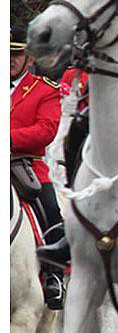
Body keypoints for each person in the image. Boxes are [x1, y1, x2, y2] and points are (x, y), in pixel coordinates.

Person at [11, 25, 65, 307]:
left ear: (29, 57)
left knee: (50, 209)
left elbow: (46, 130)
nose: (9, 60)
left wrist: (8, 138)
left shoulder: (44, 90)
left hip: (25, 166)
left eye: (15, 55)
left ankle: (54, 275)